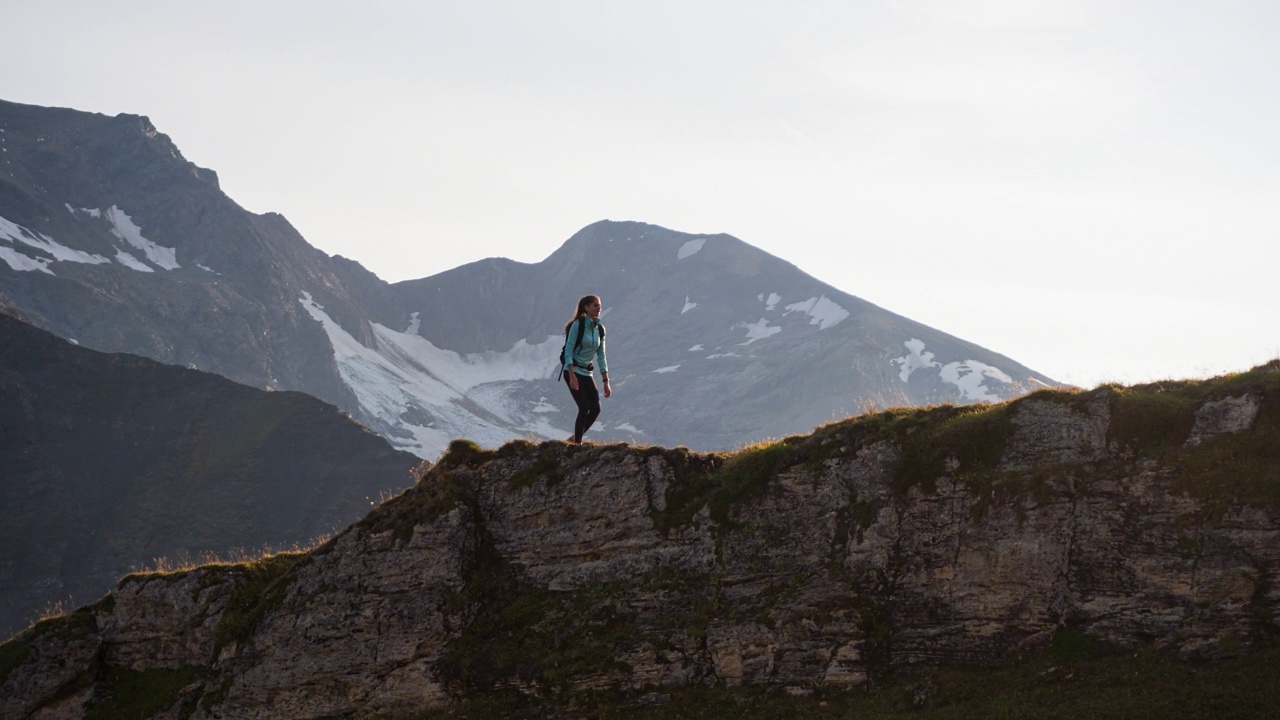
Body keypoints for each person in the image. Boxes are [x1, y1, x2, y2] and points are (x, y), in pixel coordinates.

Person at [562, 294, 611, 443]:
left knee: (596, 408)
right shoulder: (578, 324)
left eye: (600, 305)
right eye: (595, 305)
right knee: (584, 407)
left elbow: (601, 356)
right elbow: (569, 349)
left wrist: (605, 381)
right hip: (573, 370)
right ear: (586, 307)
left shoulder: (600, 329)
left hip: (587, 371)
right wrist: (571, 375)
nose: (599, 308)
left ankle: (574, 438)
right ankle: (577, 443)